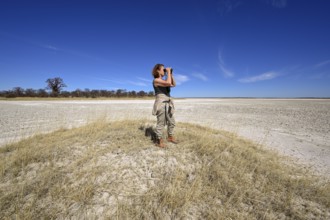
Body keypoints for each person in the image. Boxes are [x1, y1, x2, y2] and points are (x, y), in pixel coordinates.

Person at [151, 63, 177, 148]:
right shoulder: (156, 80)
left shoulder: (164, 81)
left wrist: (171, 74)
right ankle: (159, 141)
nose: (164, 71)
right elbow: (169, 83)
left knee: (172, 122)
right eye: (163, 69)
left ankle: (170, 137)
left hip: (168, 103)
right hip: (161, 104)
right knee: (161, 123)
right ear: (158, 70)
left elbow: (173, 84)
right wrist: (168, 72)